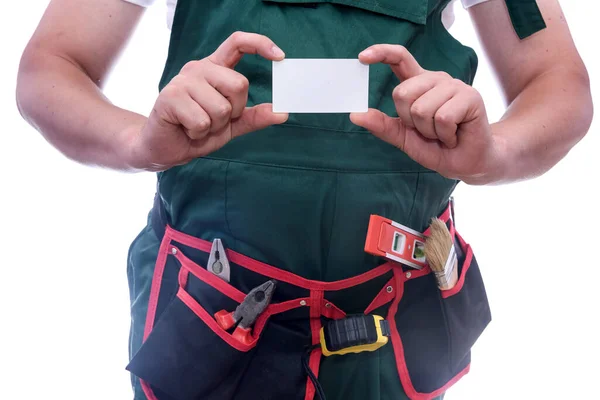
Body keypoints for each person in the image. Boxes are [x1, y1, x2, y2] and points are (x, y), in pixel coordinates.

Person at [16, 0, 592, 399]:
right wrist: (136, 142)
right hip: (211, 322)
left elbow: (558, 85)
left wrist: (496, 155)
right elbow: (49, 69)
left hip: (393, 331)